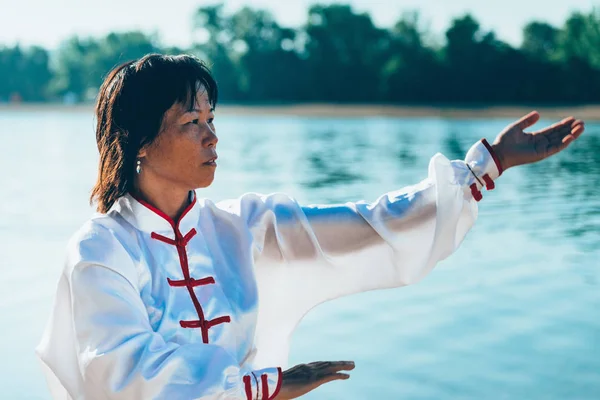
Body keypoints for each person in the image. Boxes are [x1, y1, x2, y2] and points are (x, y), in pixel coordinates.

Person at [36, 54, 585, 400]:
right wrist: (264, 386)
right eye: (190, 123)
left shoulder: (244, 227)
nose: (212, 138)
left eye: (211, 119)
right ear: (138, 142)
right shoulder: (101, 248)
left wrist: (488, 166)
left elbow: (370, 225)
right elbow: (119, 371)